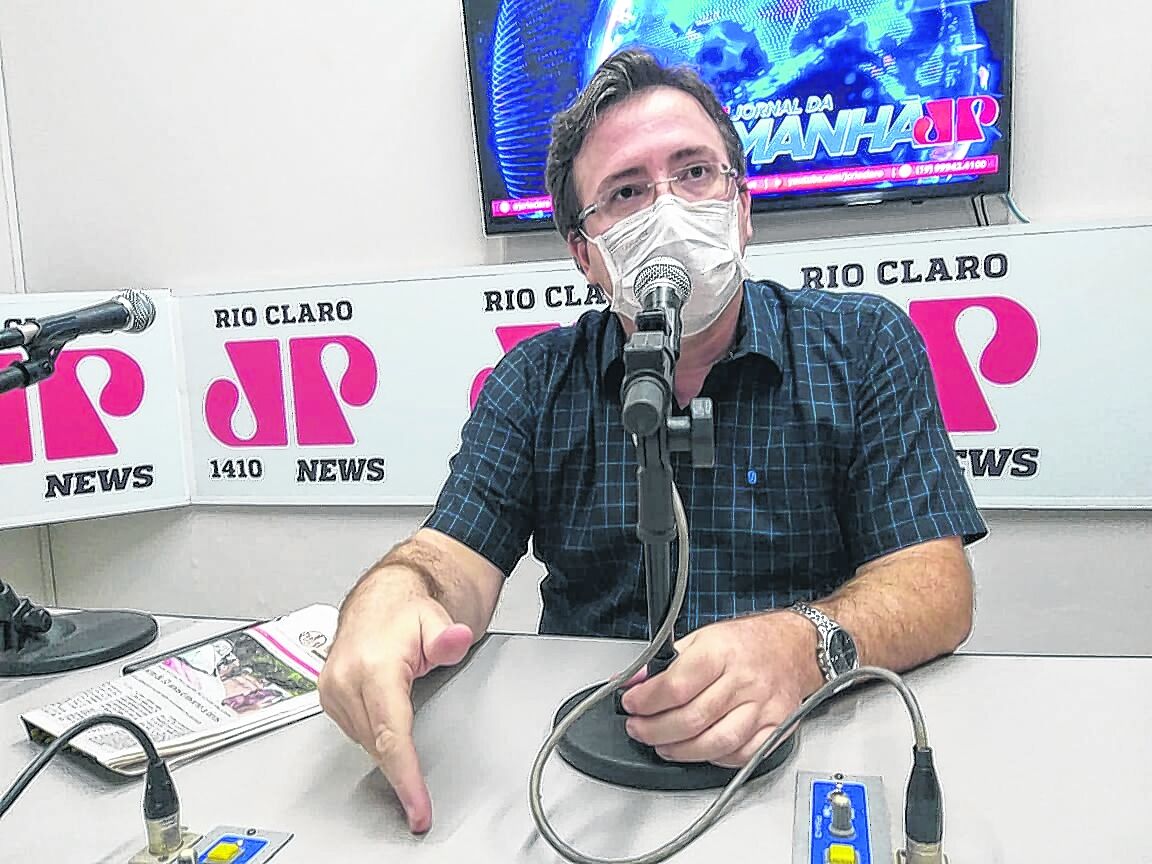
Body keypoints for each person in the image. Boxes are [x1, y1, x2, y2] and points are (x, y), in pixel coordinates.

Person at [318, 48, 987, 834]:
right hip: (584, 775)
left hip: (808, 750)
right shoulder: (534, 380)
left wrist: (804, 645)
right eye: (627, 192)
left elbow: (935, 586)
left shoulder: (864, 344)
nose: (668, 210)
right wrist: (392, 597)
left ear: (741, 208)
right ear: (584, 254)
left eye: (695, 172)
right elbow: (449, 561)